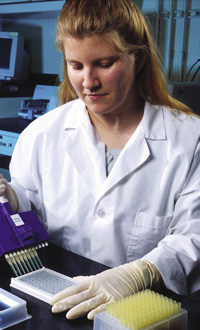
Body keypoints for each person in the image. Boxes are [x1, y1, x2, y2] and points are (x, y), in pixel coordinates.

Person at [1, 0, 200, 321]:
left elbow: (195, 235)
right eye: (76, 65)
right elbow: (32, 211)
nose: (88, 82)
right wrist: (9, 197)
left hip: (145, 314)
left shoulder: (190, 140)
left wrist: (141, 273)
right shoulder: (41, 135)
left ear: (139, 59)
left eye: (105, 63)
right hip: (59, 304)